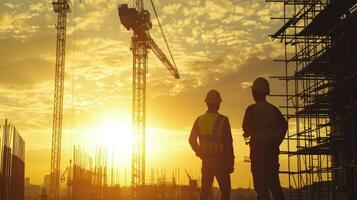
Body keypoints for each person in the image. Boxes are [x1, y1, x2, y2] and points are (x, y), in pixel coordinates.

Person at [242, 77, 288, 200]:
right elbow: (284, 125)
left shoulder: (251, 110)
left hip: (258, 151)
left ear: (255, 93)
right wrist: (278, 141)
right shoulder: (274, 110)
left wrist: (247, 134)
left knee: (261, 187)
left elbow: (246, 130)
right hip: (272, 151)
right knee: (274, 184)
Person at [189, 89, 235, 200]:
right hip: (221, 162)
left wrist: (200, 152)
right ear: (218, 104)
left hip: (206, 162)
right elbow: (228, 143)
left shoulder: (200, 120)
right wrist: (230, 163)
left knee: (204, 192)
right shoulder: (223, 120)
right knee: (225, 192)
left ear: (207, 103)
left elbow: (192, 139)